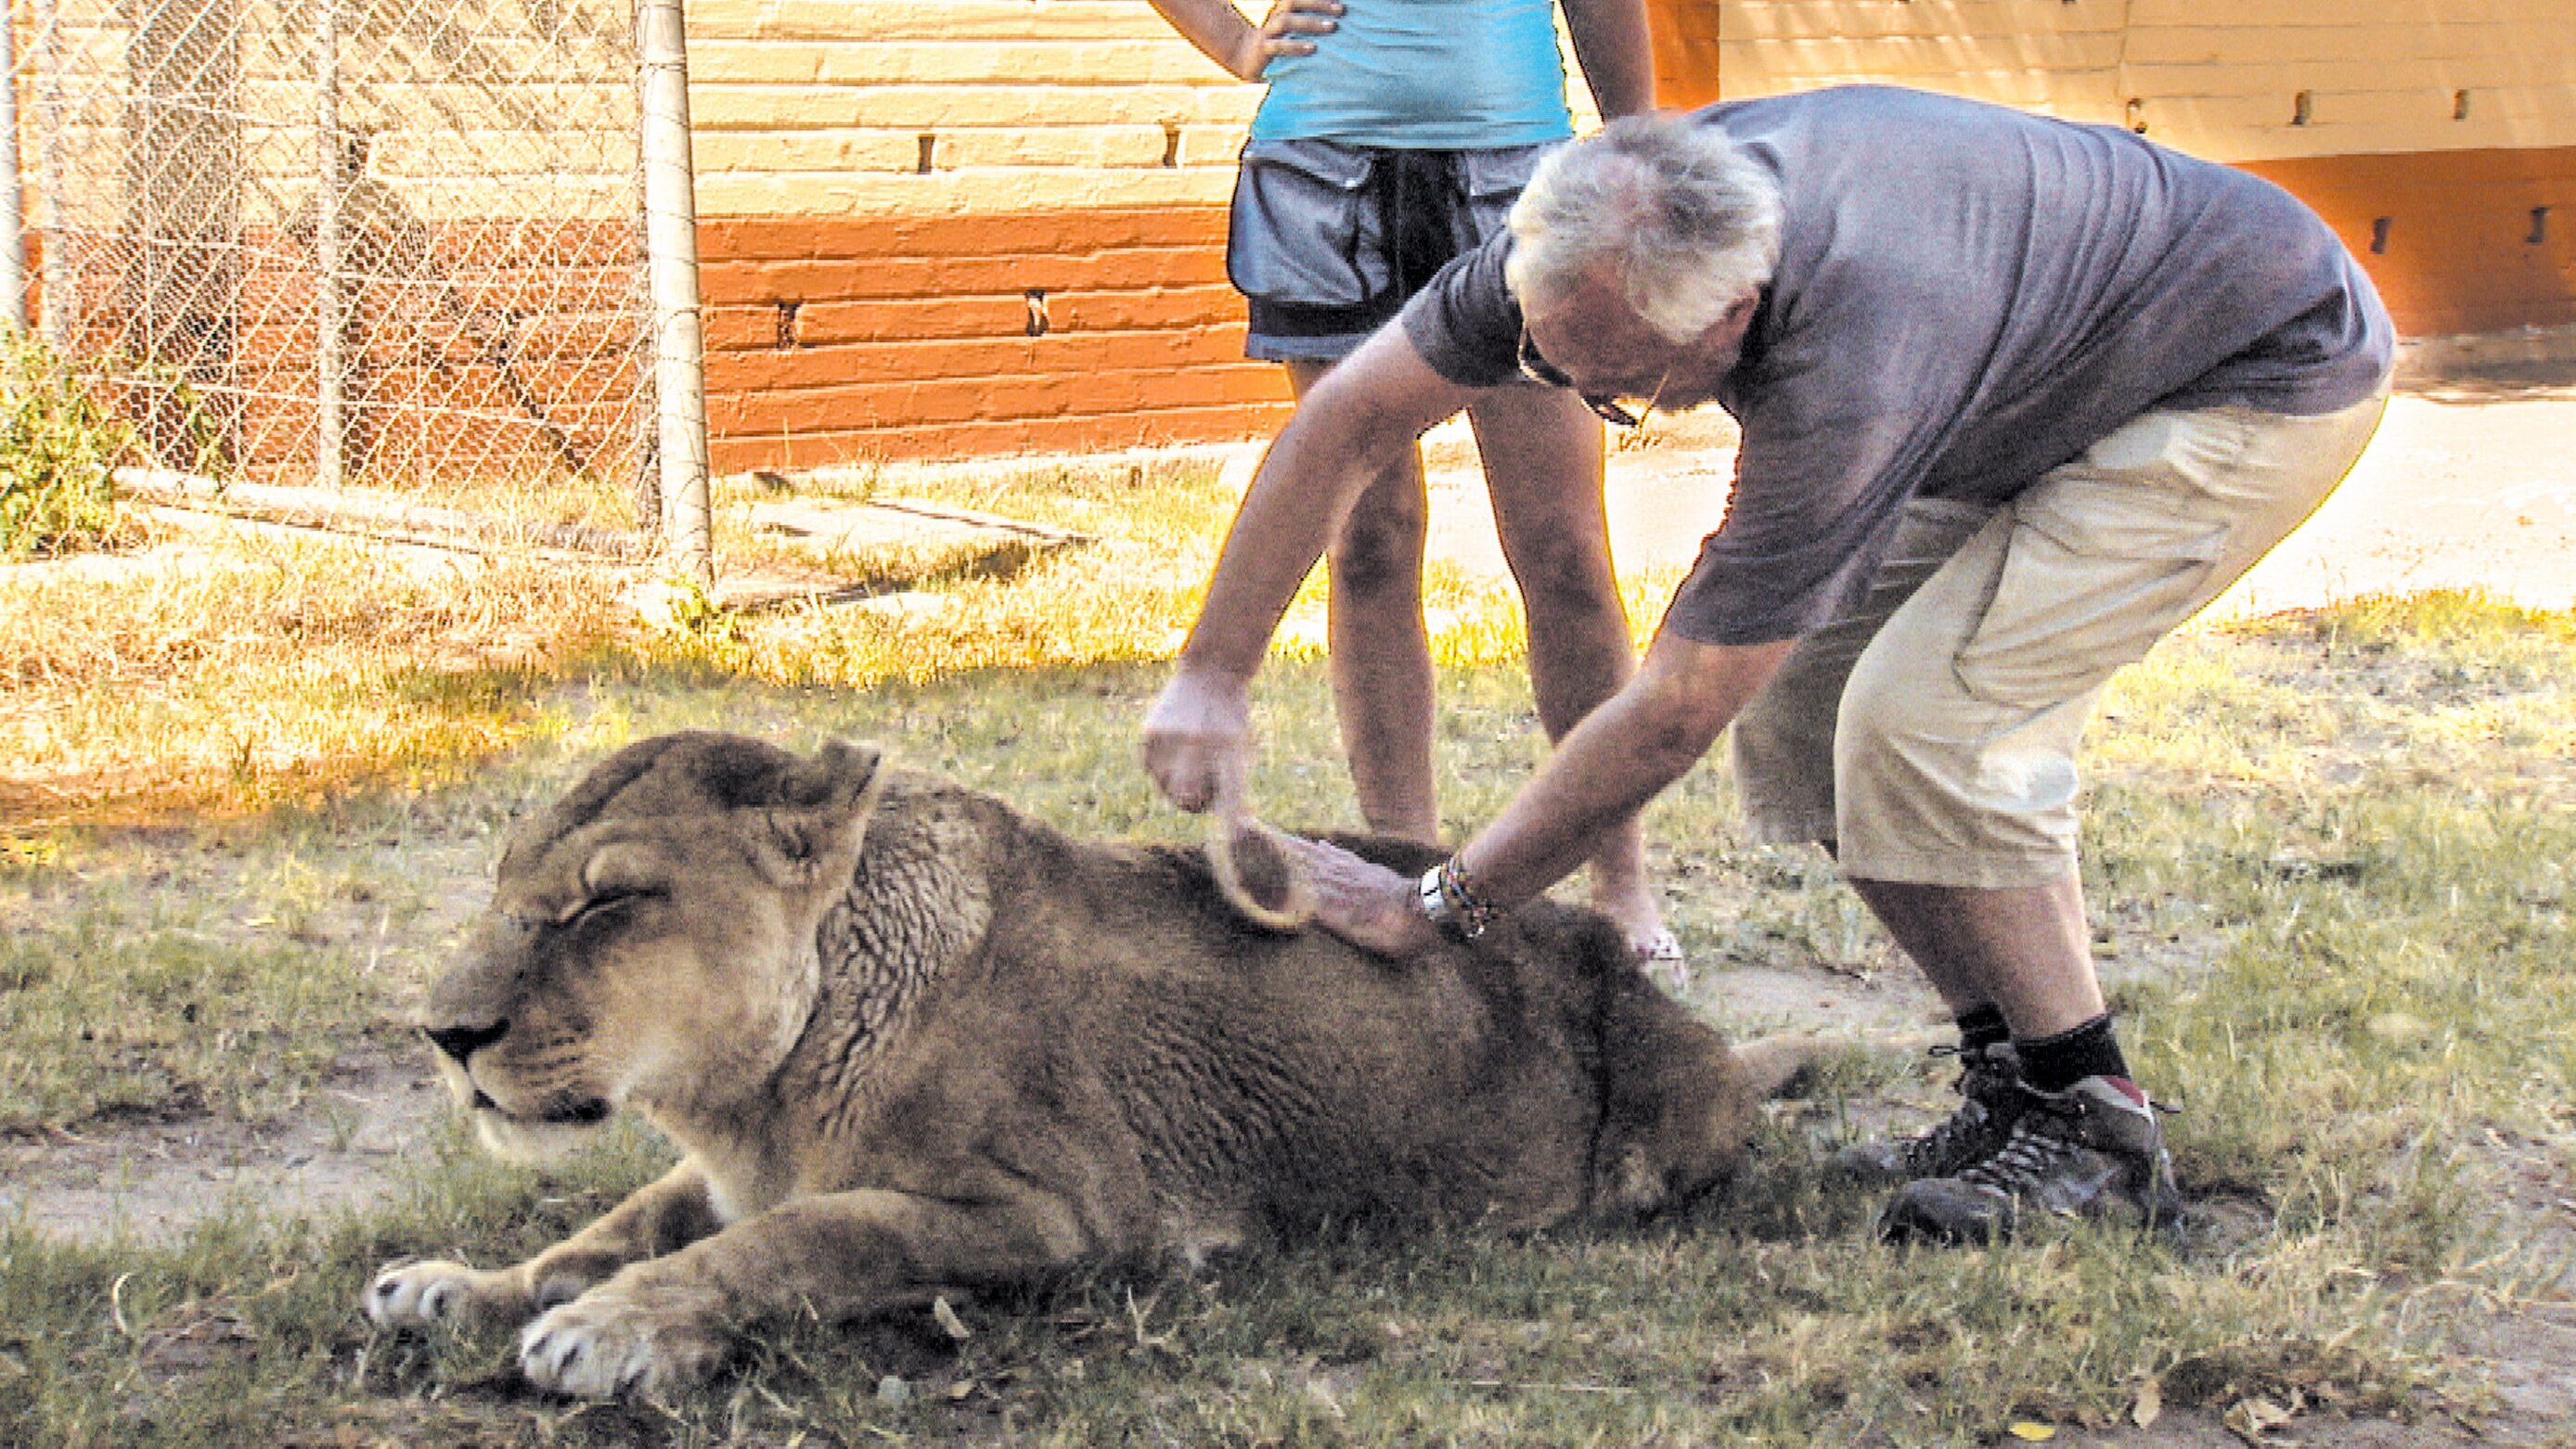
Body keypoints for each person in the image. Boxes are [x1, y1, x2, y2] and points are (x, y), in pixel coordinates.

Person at [1140, 85, 2393, 1244]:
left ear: (1730, 318)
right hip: (2044, 360)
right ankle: (2009, 1079)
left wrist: (1443, 906)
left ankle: (2091, 1116)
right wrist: (1213, 671)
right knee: (1805, 709)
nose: (1570, 390)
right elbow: (1350, 416)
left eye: (1618, 389)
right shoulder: (1582, 250)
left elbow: (1676, 708)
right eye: (1545, 361)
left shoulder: (1848, 352)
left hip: (2251, 370)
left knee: (1929, 722)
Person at [1144, 0, 1682, 976]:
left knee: (1563, 551)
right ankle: (1403, 854)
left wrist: (1635, 135)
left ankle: (1619, 876)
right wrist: (1230, 39)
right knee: (1374, 536)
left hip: (1521, 179)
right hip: (1322, 176)